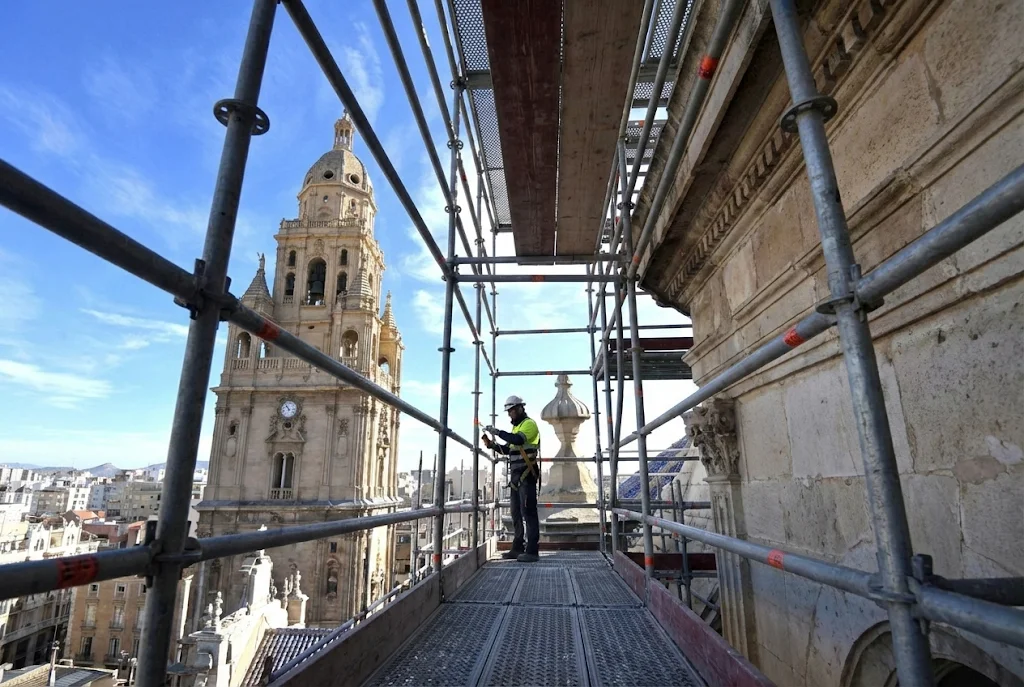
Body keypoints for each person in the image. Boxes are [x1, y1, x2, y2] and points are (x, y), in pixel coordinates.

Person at [483, 395, 540, 563]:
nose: (510, 414)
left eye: (513, 411)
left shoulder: (529, 424)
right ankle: (517, 547)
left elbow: (518, 440)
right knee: (516, 512)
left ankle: (532, 550)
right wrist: (492, 445)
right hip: (516, 476)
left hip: (526, 474)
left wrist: (498, 432)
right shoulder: (516, 428)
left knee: (528, 512)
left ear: (521, 408)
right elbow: (508, 449)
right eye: (509, 412)